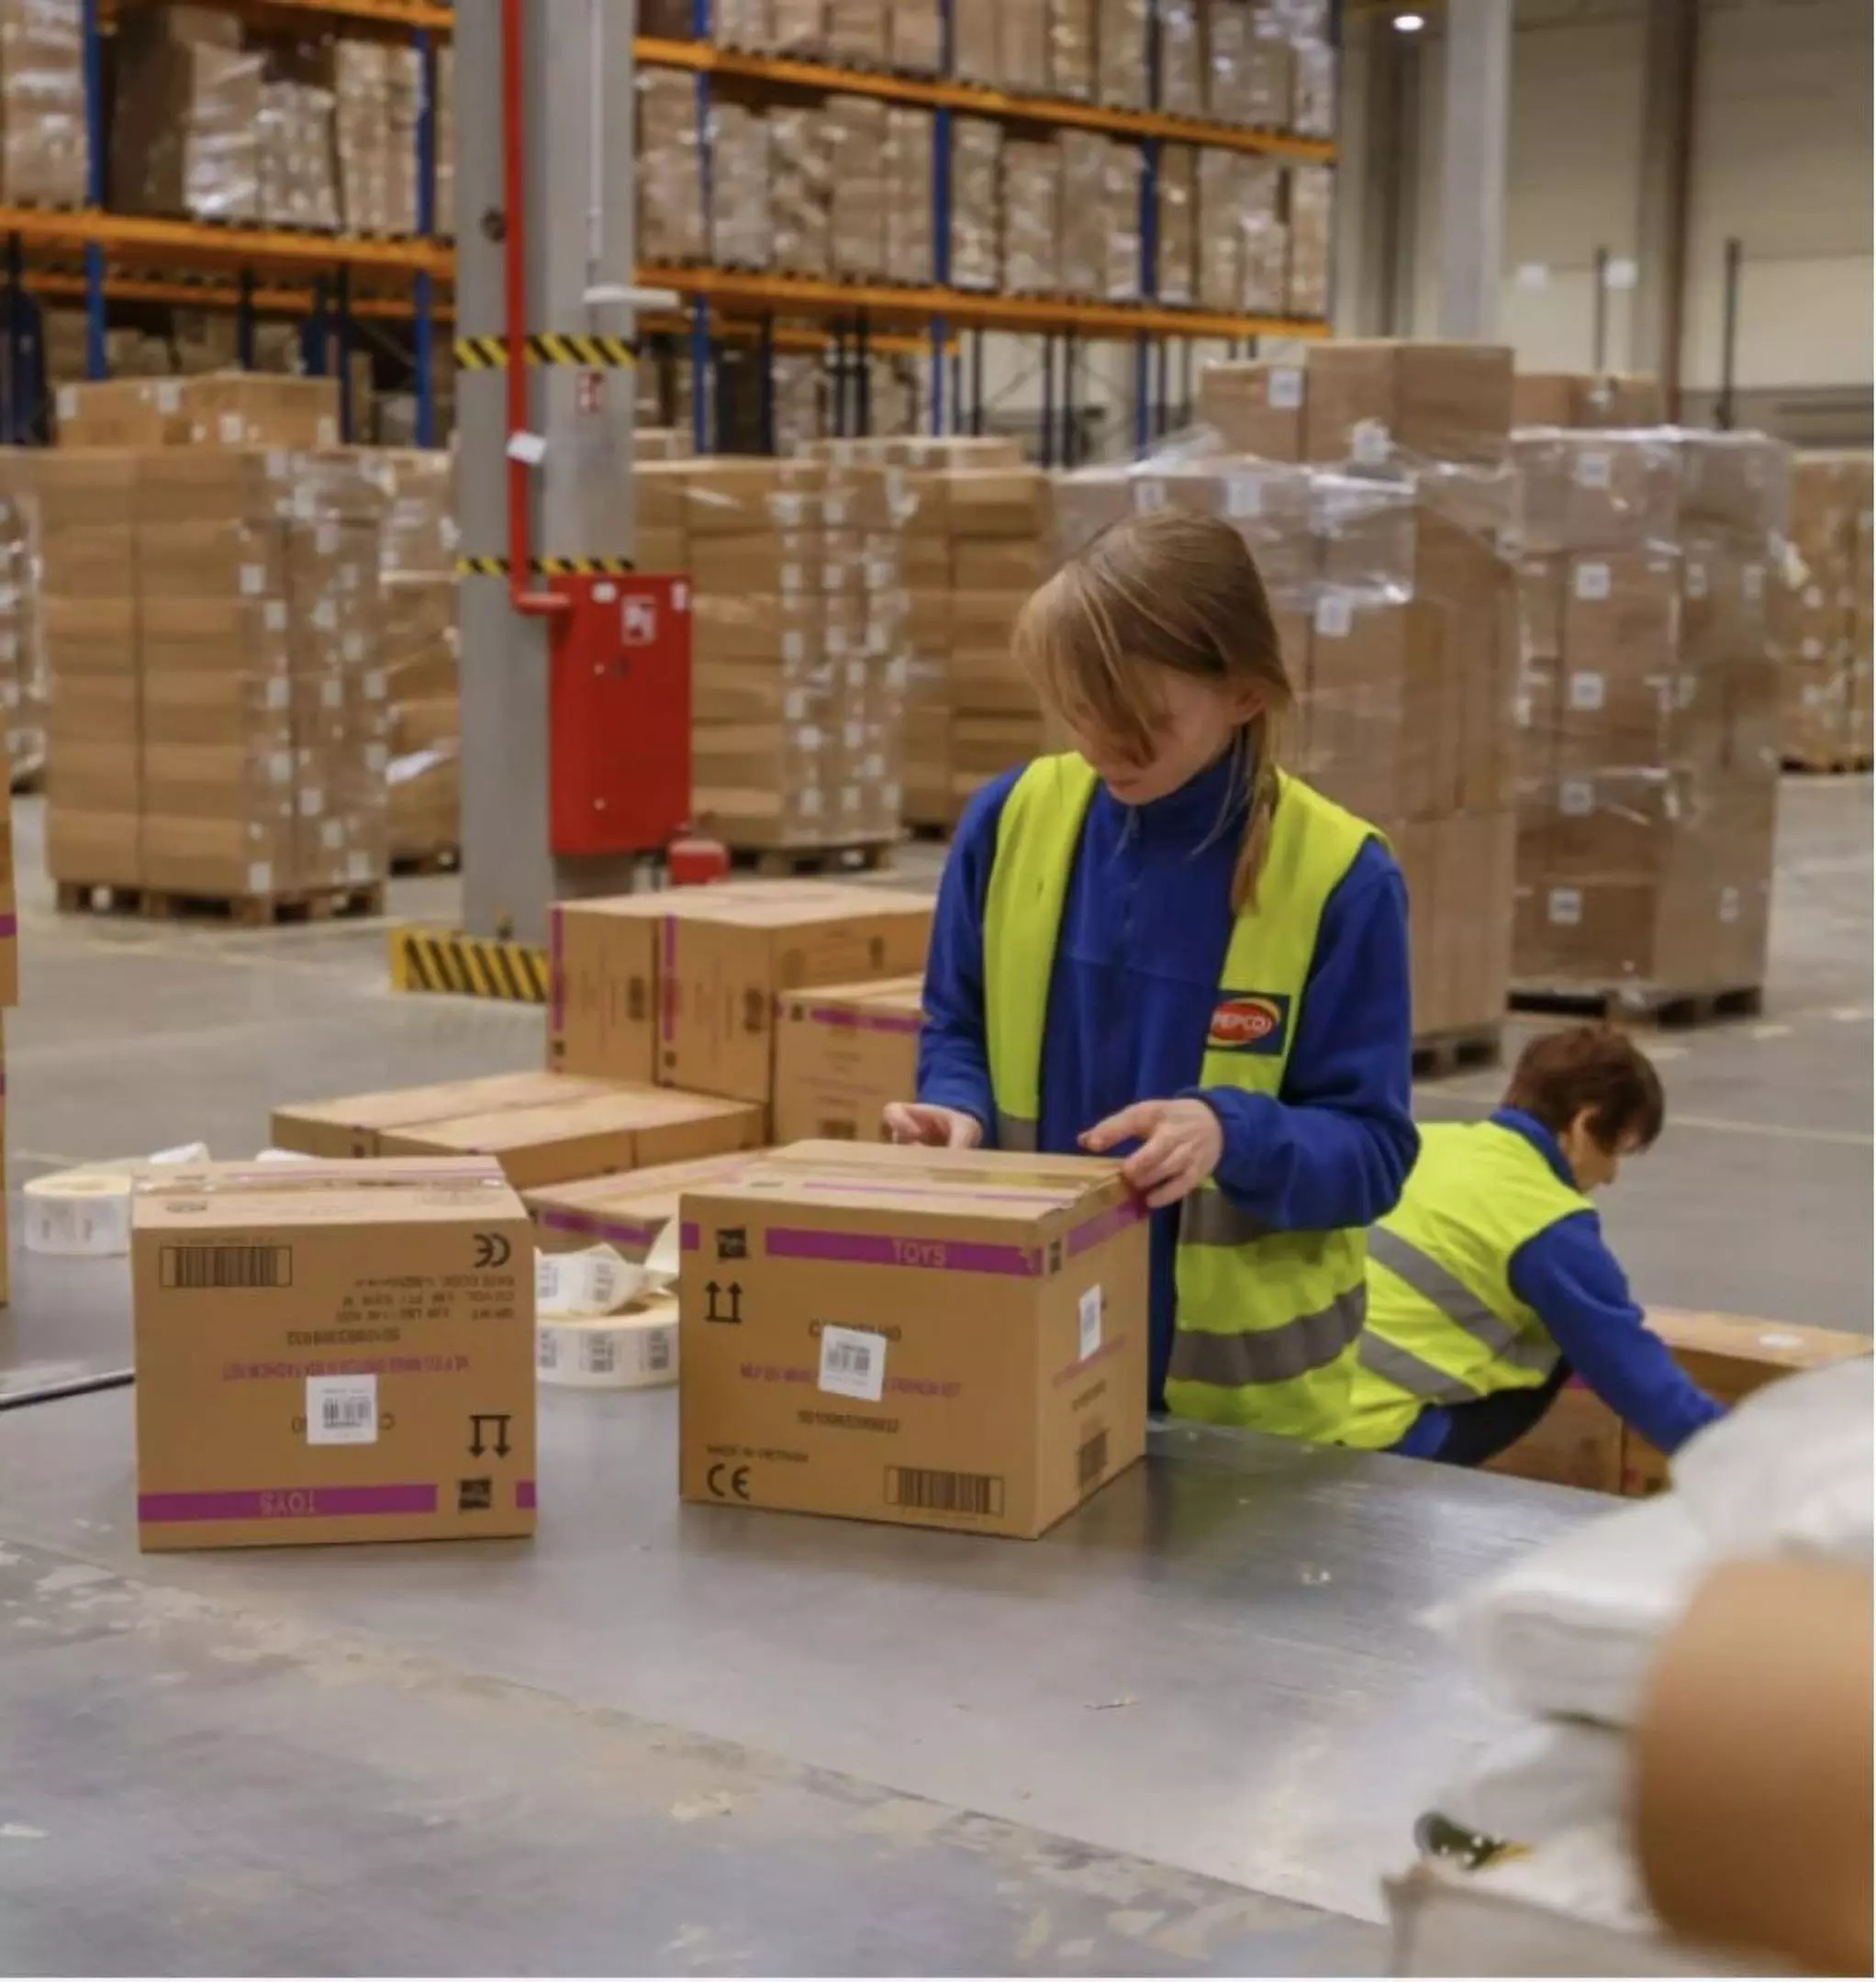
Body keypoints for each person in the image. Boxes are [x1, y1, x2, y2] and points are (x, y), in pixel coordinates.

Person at [885, 508, 1418, 1438]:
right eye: (1079, 709)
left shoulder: (1339, 879)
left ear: (1246, 694)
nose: (1101, 746)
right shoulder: (1010, 823)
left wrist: (1230, 1130)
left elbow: (1373, 1154)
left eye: (1143, 723)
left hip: (1243, 1425)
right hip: (1028, 1363)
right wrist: (956, 1108)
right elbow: (958, 1026)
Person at [1339, 1025, 1724, 1465]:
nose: (1612, 1175)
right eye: (1616, 1149)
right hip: (1378, 1444)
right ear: (1583, 1124)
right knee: (1565, 1334)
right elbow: (1639, 1381)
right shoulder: (1546, 1223)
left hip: (1301, 1412)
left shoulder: (1423, 1143)